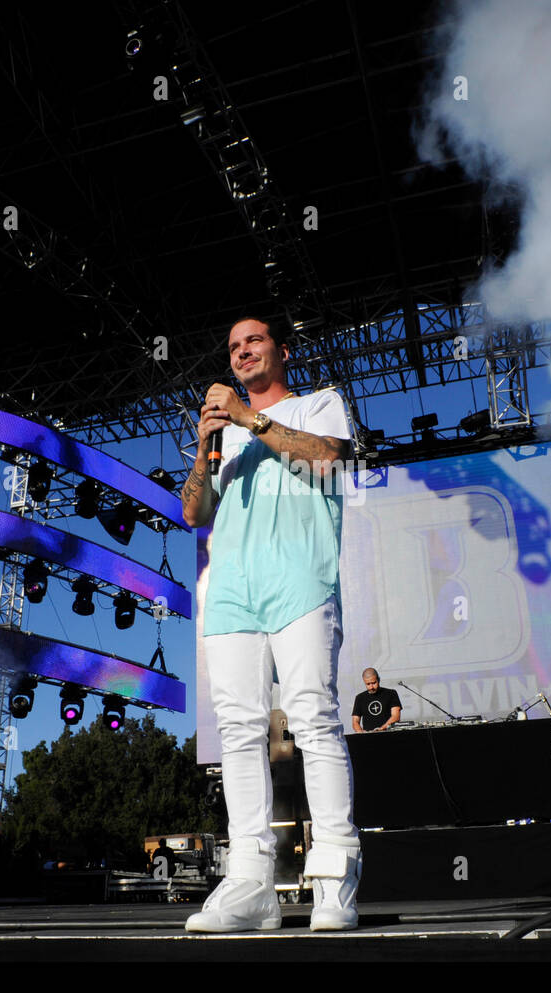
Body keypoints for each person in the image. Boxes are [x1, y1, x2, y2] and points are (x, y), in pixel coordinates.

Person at [182, 314, 361, 932]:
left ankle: (336, 877)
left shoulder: (318, 405)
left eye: (252, 341)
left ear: (282, 350)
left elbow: (332, 460)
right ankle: (251, 883)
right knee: (238, 730)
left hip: (300, 582)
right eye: (232, 347)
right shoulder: (222, 432)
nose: (241, 352)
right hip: (232, 589)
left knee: (313, 716)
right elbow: (193, 512)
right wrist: (208, 449)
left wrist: (248, 417)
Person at [352, 668, 402, 732]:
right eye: (368, 684)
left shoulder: (391, 693)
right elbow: (355, 721)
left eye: (374, 683)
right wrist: (361, 732)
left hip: (389, 734)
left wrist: (382, 728)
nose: (371, 687)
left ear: (378, 680)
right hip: (369, 738)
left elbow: (396, 716)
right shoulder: (360, 698)